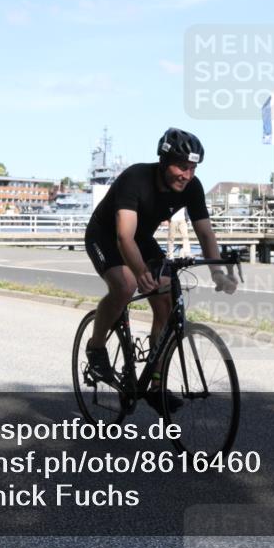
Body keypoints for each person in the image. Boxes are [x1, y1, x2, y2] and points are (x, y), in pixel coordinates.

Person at [83, 128, 237, 412]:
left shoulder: (192, 187)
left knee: (165, 300)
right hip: (105, 235)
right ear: (164, 161)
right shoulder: (136, 179)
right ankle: (96, 348)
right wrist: (140, 271)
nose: (187, 174)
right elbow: (123, 237)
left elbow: (204, 232)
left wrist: (217, 271)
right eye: (182, 166)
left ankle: (155, 384)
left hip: (141, 240)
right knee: (126, 285)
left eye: (192, 168)